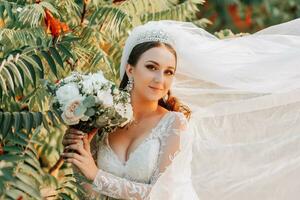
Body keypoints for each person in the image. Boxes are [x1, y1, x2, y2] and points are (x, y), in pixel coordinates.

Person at [62, 19, 300, 200]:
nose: (159, 79)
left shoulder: (174, 123)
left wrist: (95, 174)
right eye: (152, 67)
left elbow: (161, 194)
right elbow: (90, 194)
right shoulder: (105, 121)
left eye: (168, 72)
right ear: (130, 69)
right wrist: (77, 155)